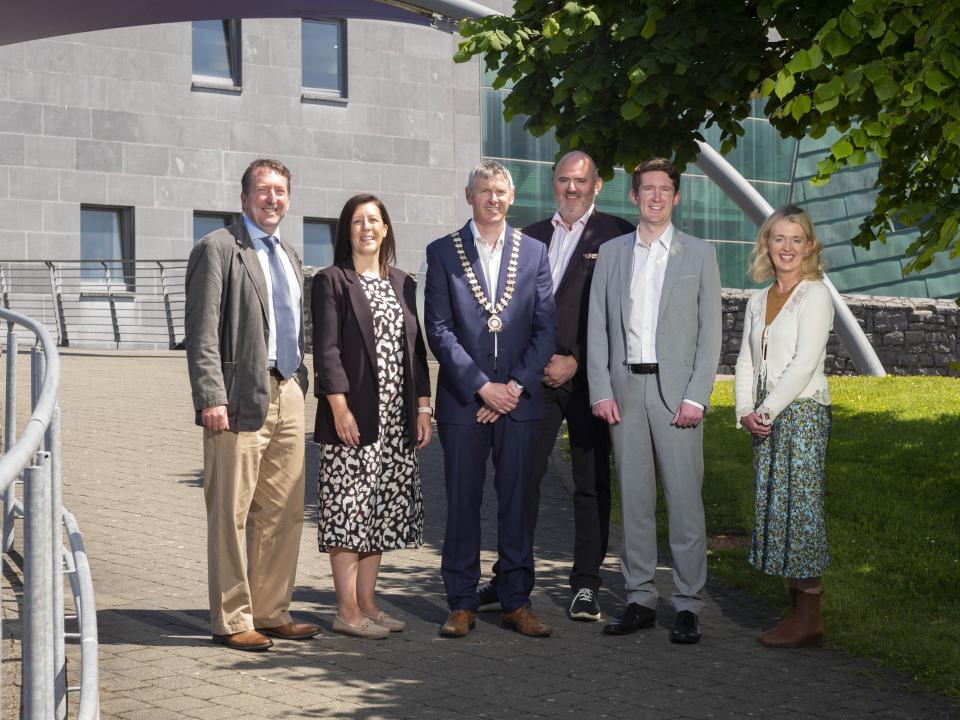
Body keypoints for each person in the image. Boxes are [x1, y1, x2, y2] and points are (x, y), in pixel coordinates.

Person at [477, 151, 634, 622]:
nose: (571, 189)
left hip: (591, 379)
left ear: (597, 184)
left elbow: (622, 313)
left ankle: (586, 583)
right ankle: (510, 574)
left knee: (591, 484)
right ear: (552, 184)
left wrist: (579, 359)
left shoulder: (618, 235)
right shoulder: (528, 238)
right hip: (536, 380)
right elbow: (515, 311)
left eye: (580, 181)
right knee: (521, 479)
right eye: (563, 180)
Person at [185, 158, 320, 652]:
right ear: (244, 199)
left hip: (288, 391)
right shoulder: (218, 248)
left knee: (283, 511)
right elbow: (201, 333)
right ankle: (232, 618)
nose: (272, 199)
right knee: (231, 511)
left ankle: (271, 610)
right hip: (238, 396)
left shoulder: (288, 252)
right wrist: (210, 397)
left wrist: (302, 381)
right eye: (263, 191)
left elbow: (297, 322)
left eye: (280, 191)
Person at [587, 157, 721, 644]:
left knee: (685, 504)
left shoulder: (699, 254)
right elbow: (598, 328)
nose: (657, 197)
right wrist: (600, 388)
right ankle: (640, 598)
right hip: (626, 393)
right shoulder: (612, 252)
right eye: (648, 189)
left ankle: (687, 604)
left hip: (677, 397)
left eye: (665, 189)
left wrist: (697, 397)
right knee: (636, 503)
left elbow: (711, 335)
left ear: (677, 197)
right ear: (634, 197)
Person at [424, 159, 557, 638]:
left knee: (518, 503)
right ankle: (461, 602)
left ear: (512, 197)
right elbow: (437, 329)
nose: (493, 199)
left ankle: (516, 601)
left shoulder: (536, 253)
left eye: (501, 191)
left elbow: (546, 330)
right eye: (485, 191)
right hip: (464, 401)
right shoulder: (442, 252)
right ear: (469, 196)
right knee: (461, 502)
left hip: (519, 401)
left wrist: (514, 388)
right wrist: (483, 387)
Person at [311, 194, 433, 640]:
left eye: (374, 220)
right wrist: (337, 406)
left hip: (396, 421)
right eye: (358, 221)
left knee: (378, 511)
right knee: (348, 510)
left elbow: (416, 352)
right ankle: (345, 611)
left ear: (386, 230)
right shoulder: (331, 281)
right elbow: (326, 351)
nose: (367, 227)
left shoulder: (403, 282)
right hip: (354, 418)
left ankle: (366, 602)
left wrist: (423, 406)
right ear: (347, 231)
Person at [734, 205, 834, 648]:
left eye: (797, 240)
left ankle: (809, 614)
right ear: (767, 245)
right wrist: (744, 412)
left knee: (802, 511)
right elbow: (744, 360)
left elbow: (803, 364)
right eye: (779, 239)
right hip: (765, 415)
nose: (787, 248)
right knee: (777, 508)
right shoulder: (758, 299)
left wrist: (766, 411)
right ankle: (795, 613)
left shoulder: (816, 295)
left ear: (809, 246)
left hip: (803, 413)